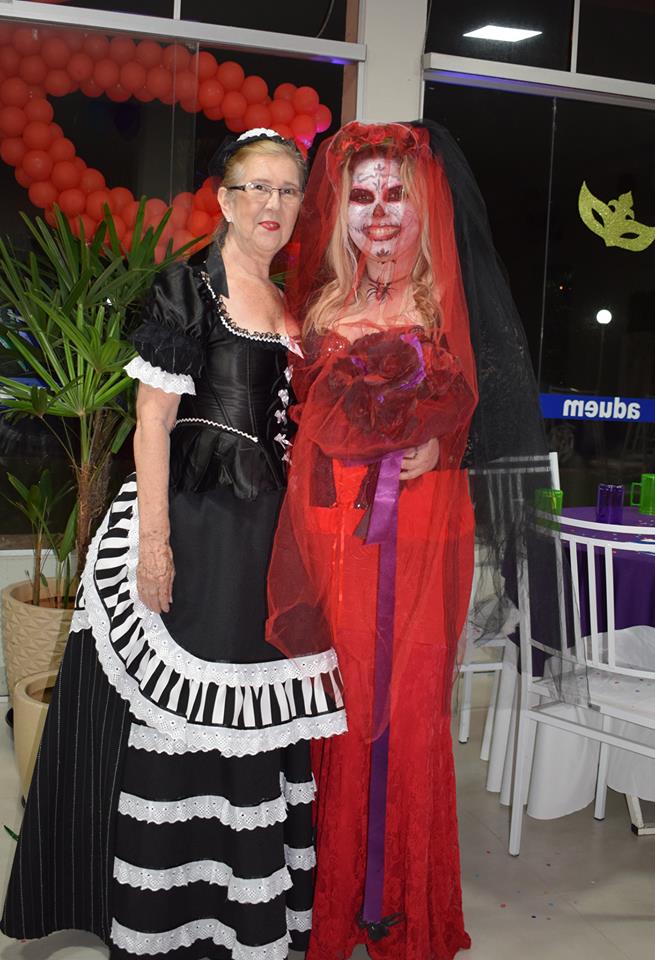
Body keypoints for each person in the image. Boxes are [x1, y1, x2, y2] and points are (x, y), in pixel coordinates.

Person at [1, 128, 346, 960]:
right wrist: (153, 543)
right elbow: (151, 422)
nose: (271, 204)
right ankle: (168, 921)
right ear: (224, 200)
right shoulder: (188, 289)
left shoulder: (293, 301)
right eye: (255, 188)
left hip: (270, 545)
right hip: (196, 527)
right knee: (184, 718)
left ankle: (245, 915)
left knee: (253, 720)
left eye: (287, 190)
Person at [266, 120, 553, 960]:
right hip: (335, 534)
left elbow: (477, 413)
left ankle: (399, 905)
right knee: (343, 701)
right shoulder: (319, 306)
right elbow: (297, 429)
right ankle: (336, 903)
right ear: (339, 209)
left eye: (396, 193)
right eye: (361, 195)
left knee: (410, 700)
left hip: (423, 526)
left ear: (425, 204)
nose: (380, 211)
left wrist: (439, 446)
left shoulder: (442, 303)